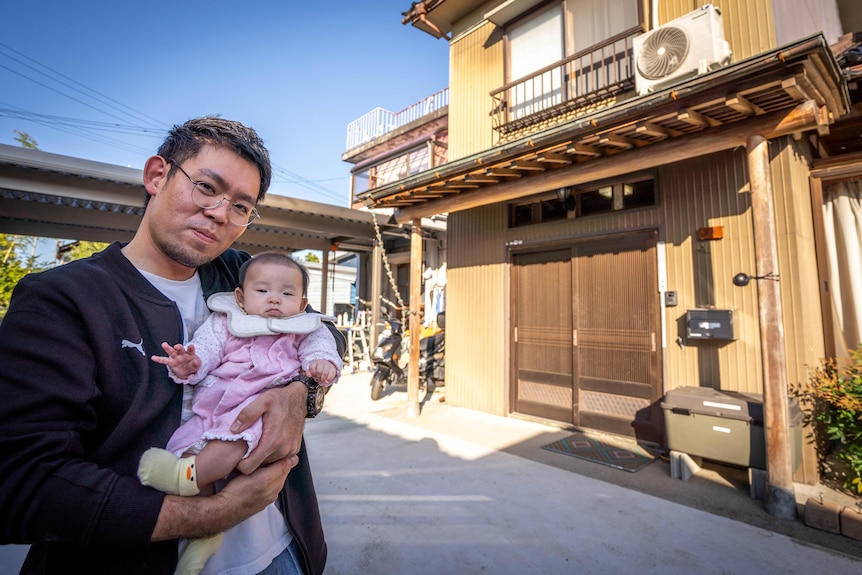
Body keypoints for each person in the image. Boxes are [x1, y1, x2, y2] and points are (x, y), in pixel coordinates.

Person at [0, 117, 343, 575]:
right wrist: (214, 513)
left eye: (242, 206)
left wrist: (299, 392)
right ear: (157, 175)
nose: (221, 213)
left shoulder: (240, 272)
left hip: (281, 551)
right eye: (206, 186)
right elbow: (21, 484)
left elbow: (323, 328)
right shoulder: (62, 300)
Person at [138, 252, 341, 574]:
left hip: (257, 409)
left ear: (303, 304)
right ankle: (203, 533)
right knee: (191, 447)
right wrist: (191, 363)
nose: (274, 299)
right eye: (262, 291)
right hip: (214, 406)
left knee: (227, 447)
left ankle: (181, 478)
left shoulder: (303, 328)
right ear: (240, 297)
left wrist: (321, 365)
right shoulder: (225, 321)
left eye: (287, 294)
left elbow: (324, 346)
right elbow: (204, 349)